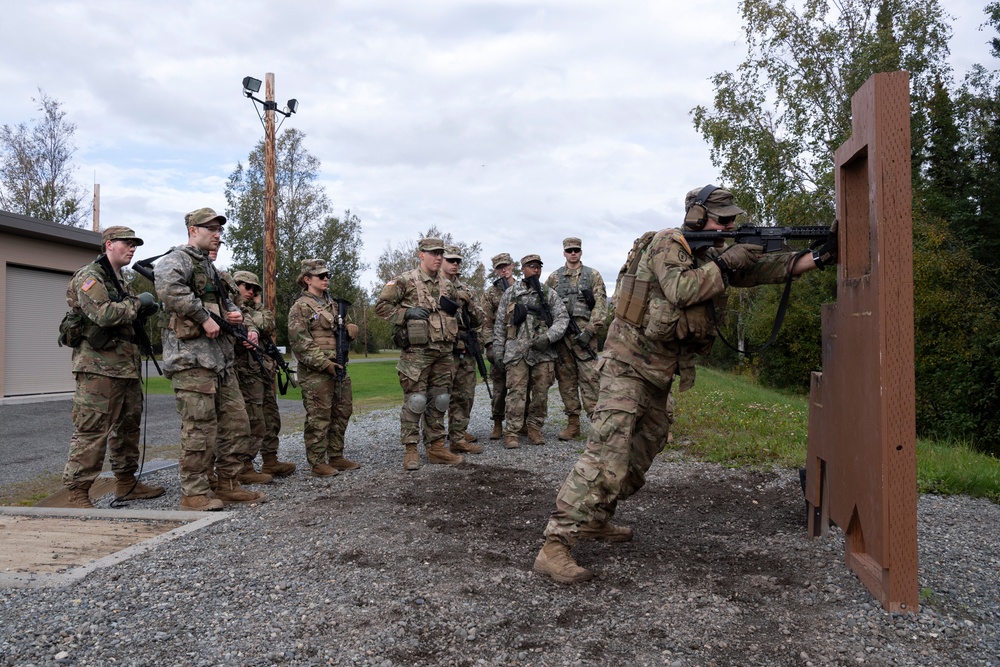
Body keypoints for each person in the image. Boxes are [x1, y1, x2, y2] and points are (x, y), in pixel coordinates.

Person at [533, 185, 836, 583]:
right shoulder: (666, 244)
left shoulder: (709, 255)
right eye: (721, 219)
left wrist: (817, 257)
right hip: (626, 365)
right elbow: (680, 289)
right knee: (608, 453)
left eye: (733, 220)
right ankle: (555, 545)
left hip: (659, 371)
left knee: (643, 451)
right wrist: (726, 264)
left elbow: (764, 270)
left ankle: (595, 519)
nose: (729, 225)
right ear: (695, 217)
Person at [155, 207, 266, 510]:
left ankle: (227, 483)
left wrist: (234, 313)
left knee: (236, 423)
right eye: (211, 229)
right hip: (192, 361)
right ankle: (194, 492)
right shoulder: (177, 259)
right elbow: (167, 288)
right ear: (193, 230)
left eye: (219, 229)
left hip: (221, 361)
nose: (217, 235)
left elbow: (225, 301)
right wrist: (204, 317)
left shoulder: (210, 268)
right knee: (199, 429)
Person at [60, 226, 165, 508]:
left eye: (135, 245)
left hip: (125, 367)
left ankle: (126, 483)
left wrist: (143, 309)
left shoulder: (120, 280)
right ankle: (78, 493)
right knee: (92, 429)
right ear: (109, 244)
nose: (132, 248)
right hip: (98, 369)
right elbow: (104, 314)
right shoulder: (90, 276)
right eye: (127, 243)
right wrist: (137, 303)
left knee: (128, 427)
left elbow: (125, 313)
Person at [374, 237, 464, 470]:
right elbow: (381, 307)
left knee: (441, 400)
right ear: (421, 254)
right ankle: (411, 449)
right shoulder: (404, 281)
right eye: (433, 253)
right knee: (416, 400)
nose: (438, 257)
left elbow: (455, 313)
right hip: (416, 354)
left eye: (440, 254)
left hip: (443, 352)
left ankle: (436, 447)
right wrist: (407, 313)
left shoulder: (449, 285)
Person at [288, 259, 360, 477]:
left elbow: (339, 337)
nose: (326, 278)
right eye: (321, 276)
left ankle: (336, 456)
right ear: (307, 279)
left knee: (342, 411)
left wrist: (349, 330)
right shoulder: (300, 307)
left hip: (338, 367)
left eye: (327, 275)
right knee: (319, 417)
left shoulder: (336, 306)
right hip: (316, 372)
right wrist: (324, 364)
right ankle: (318, 463)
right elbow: (300, 343)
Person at [493, 254, 569, 448]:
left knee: (541, 393)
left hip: (543, 352)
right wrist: (498, 351)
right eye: (531, 266)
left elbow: (562, 318)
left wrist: (549, 337)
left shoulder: (548, 293)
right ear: (522, 269)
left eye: (538, 267)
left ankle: (534, 428)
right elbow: (500, 325)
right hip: (516, 351)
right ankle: (512, 432)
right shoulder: (510, 293)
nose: (535, 270)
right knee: (516, 393)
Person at [233, 271, 296, 478]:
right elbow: (252, 323)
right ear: (236, 286)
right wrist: (254, 317)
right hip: (244, 372)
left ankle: (270, 460)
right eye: (246, 287)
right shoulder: (230, 308)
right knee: (253, 419)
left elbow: (268, 323)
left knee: (271, 417)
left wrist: (257, 310)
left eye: (254, 289)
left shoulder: (256, 310)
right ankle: (245, 466)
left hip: (263, 369)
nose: (251, 292)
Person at [544, 237, 608, 440]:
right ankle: (573, 424)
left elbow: (601, 304)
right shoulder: (554, 278)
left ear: (581, 252)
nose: (573, 253)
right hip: (562, 338)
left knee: (591, 380)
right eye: (569, 250)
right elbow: (546, 305)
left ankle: (598, 426)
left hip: (585, 338)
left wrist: (590, 330)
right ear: (564, 252)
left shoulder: (593, 275)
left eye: (576, 250)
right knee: (566, 381)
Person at [441, 245, 487, 454]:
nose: (455, 264)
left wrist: (468, 304)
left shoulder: (466, 289)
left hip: (465, 347)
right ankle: (436, 438)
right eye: (451, 260)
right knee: (440, 396)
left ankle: (458, 436)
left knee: (465, 395)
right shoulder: (433, 286)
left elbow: (479, 319)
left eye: (458, 261)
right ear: (441, 260)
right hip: (443, 349)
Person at [480, 253, 514, 441]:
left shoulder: (522, 287)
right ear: (495, 269)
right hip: (499, 344)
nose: (503, 269)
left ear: (512, 265)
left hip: (518, 344)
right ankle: (498, 423)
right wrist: (489, 345)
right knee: (499, 388)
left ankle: (520, 423)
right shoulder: (491, 293)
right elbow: (485, 321)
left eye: (506, 265)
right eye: (499, 267)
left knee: (520, 386)